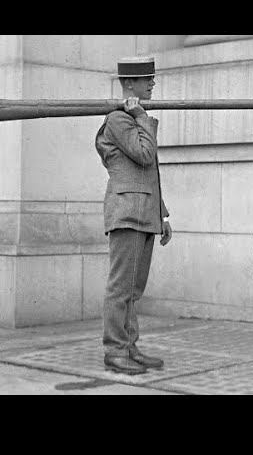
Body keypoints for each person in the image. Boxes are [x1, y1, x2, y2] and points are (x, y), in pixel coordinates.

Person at [95, 56, 172, 375]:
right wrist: (142, 117)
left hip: (143, 211)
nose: (152, 83)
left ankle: (128, 346)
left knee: (133, 289)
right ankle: (115, 350)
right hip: (127, 211)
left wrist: (162, 215)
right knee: (120, 288)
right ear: (129, 83)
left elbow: (149, 173)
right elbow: (145, 155)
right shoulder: (119, 119)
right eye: (146, 79)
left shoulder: (132, 119)